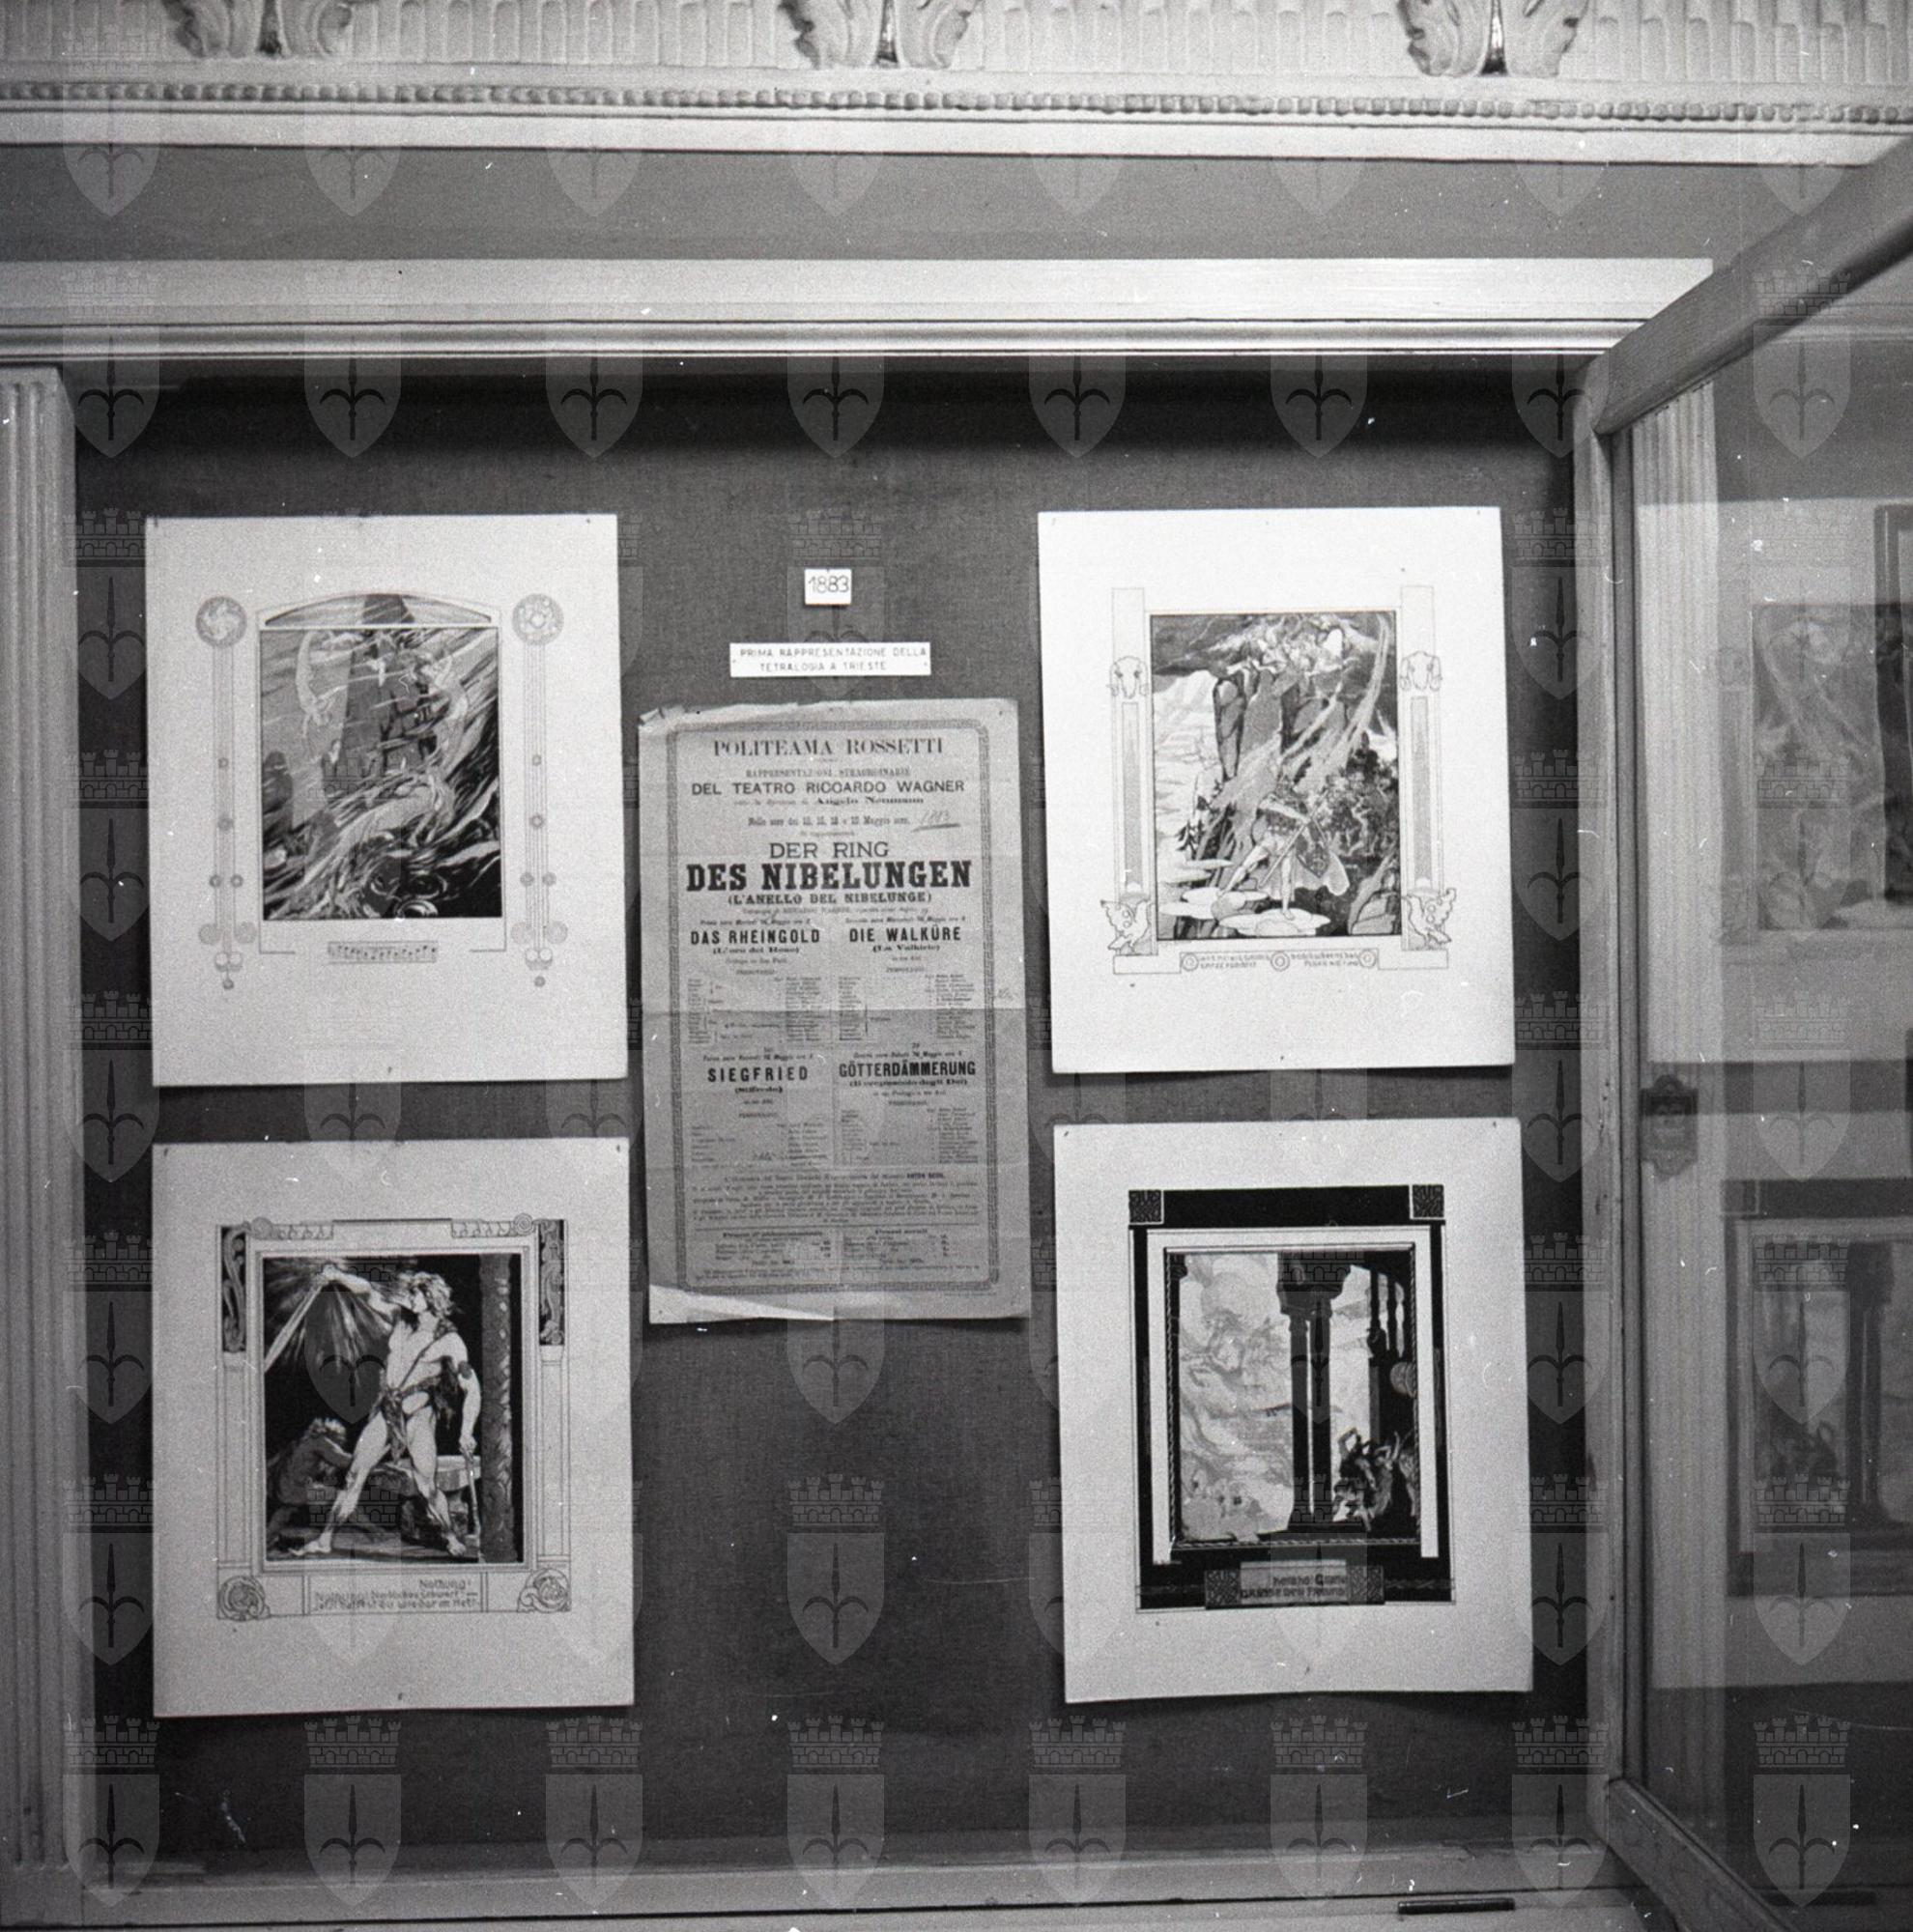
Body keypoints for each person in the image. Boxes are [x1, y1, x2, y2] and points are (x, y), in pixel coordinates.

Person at [292, 1264, 481, 1560]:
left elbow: (472, 1388)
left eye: (416, 1294)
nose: (410, 1298)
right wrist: (337, 1276)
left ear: (431, 1299)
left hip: (418, 1416)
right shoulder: (400, 1319)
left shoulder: (450, 1341)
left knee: (427, 1486)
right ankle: (325, 1539)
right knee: (354, 1475)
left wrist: (467, 1431)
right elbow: (369, 1292)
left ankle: (450, 1537)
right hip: (388, 1411)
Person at [266, 1416, 352, 1549]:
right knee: (341, 1495)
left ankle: (267, 1539)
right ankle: (325, 1538)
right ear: (333, 1436)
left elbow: (273, 1463)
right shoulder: (322, 1442)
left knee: (286, 1509)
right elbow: (344, 1461)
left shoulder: (301, 1442)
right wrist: (366, 1459)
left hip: (282, 1488)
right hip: (295, 1490)